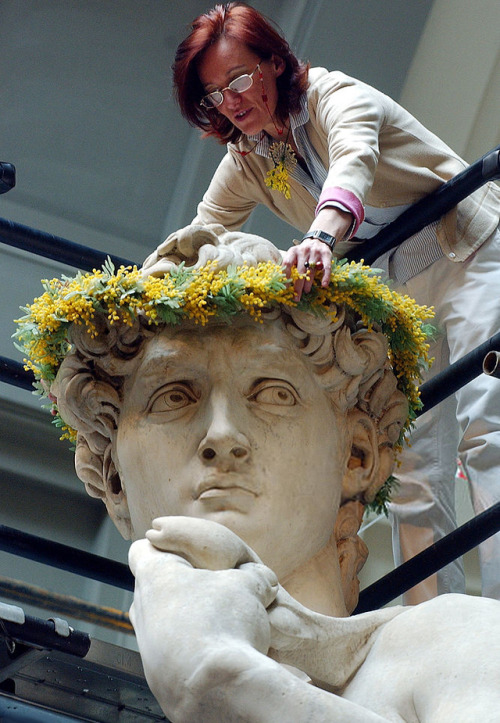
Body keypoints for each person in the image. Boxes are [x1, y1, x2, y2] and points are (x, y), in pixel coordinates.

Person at [18, 227, 500, 722]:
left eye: (272, 393)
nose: (222, 435)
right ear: (112, 479)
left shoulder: (455, 645)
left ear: (356, 455)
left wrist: (228, 682)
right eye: (174, 397)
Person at [142, 2, 500, 603]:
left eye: (238, 78)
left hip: (466, 249)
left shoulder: (337, 96)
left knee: (489, 425)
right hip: (394, 290)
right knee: (411, 468)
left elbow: (353, 161)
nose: (230, 101)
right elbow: (202, 230)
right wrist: (134, 299)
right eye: (212, 95)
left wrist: (319, 237)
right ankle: (440, 627)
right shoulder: (250, 159)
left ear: (276, 63)